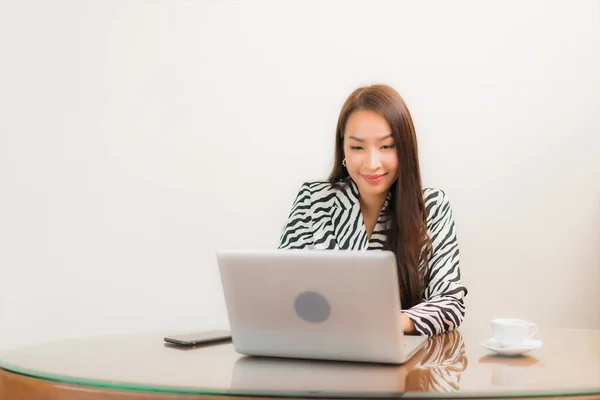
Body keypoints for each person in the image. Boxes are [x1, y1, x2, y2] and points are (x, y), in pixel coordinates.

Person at [278, 84, 467, 336]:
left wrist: (389, 322)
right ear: (343, 150)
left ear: (404, 149)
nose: (372, 163)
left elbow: (450, 302)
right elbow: (284, 292)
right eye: (357, 147)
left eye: (387, 146)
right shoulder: (313, 199)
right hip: (322, 350)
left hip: (402, 359)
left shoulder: (431, 207)